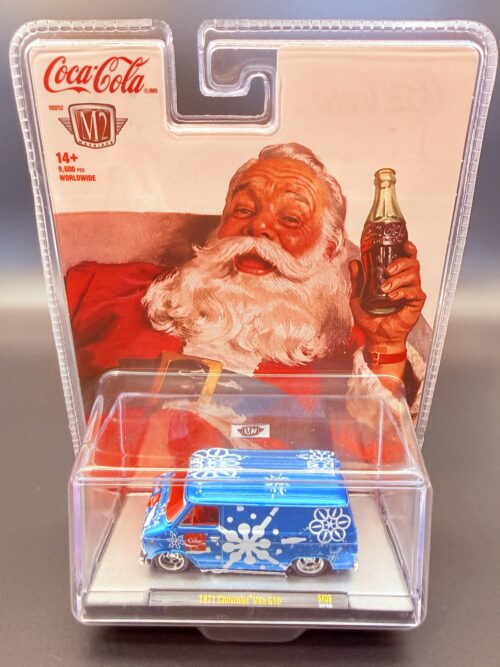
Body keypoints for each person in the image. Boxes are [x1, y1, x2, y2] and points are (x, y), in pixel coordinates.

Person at [66, 143, 428, 426]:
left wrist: (386, 346)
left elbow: (379, 446)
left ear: (329, 249)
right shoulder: (102, 289)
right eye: (243, 210)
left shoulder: (355, 345)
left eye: (290, 218)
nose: (259, 227)